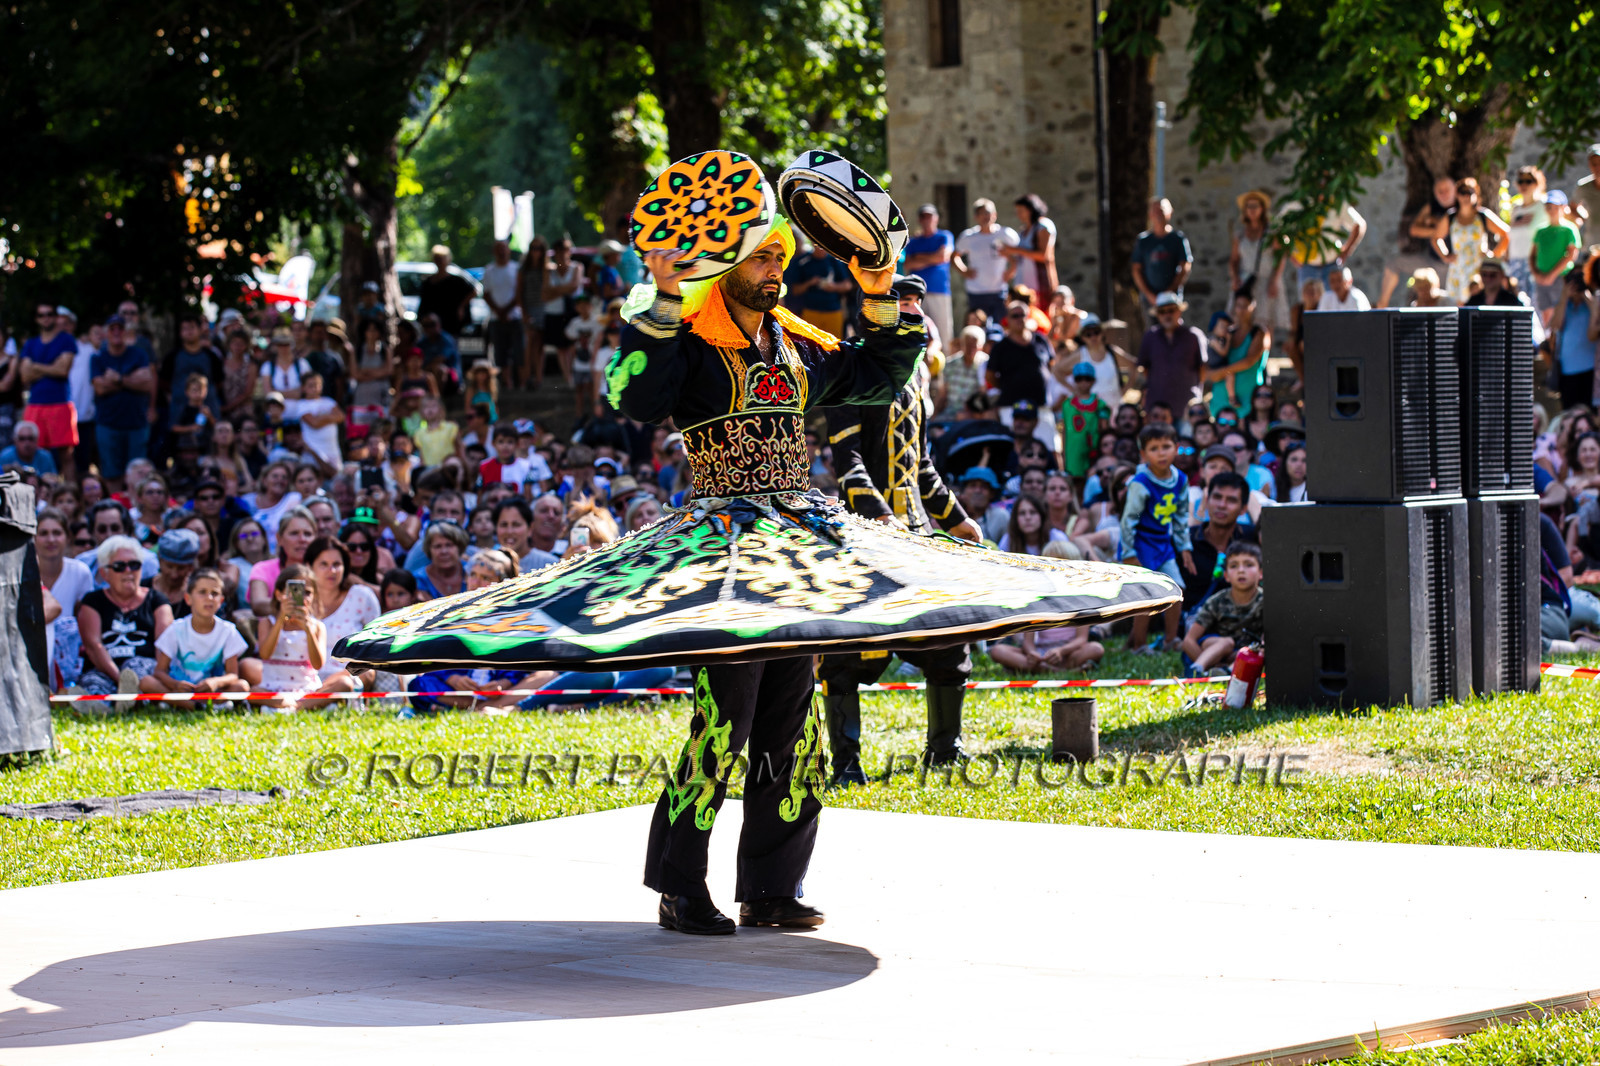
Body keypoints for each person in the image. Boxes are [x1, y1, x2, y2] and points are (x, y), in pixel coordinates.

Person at [818, 331, 980, 783]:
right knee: (846, 655)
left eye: (918, 313)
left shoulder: (913, 379)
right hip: (866, 537)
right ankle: (846, 765)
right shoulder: (850, 371)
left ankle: (946, 749)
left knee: (949, 642)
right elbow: (846, 462)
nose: (914, 324)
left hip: (919, 536)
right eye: (904, 310)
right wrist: (879, 518)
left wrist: (956, 518)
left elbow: (920, 464)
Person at [1119, 424, 1192, 652]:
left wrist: (1185, 547)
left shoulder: (1180, 479)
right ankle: (1139, 644)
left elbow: (1180, 517)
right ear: (1144, 454)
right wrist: (1129, 552)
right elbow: (1131, 518)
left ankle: (1171, 639)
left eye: (1166, 447)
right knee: (1146, 593)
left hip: (1163, 542)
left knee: (1176, 588)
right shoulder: (1141, 482)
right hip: (1142, 543)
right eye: (1154, 448)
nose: (1161, 453)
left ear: (1176, 448)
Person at [76, 535, 173, 699]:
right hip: (106, 670)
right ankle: (107, 705)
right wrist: (121, 680)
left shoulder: (157, 600)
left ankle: (135, 698)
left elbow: (164, 647)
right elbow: (94, 646)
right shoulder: (93, 601)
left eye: (134, 565)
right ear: (104, 573)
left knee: (134, 667)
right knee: (93, 682)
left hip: (146, 670)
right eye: (119, 566)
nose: (128, 571)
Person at [145, 568, 252, 696]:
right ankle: (193, 704)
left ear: (221, 601)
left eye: (215, 593)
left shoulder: (228, 631)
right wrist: (175, 685)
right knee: (147, 682)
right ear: (188, 598)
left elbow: (233, 675)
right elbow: (159, 671)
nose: (209, 598)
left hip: (212, 692)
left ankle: (190, 704)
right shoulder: (176, 629)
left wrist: (216, 682)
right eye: (202, 592)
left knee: (242, 686)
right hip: (180, 691)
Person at [1179, 541, 1264, 677]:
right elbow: (1189, 641)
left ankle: (1228, 672)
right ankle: (1197, 670)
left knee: (1252, 650)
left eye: (1249, 565)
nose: (1241, 570)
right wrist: (1209, 664)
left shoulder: (1266, 602)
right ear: (1226, 575)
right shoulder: (1216, 601)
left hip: (1242, 654)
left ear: (1261, 573)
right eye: (1234, 566)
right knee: (1226, 642)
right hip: (1211, 648)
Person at [19, 301, 79, 484]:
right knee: (34, 453)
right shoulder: (31, 343)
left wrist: (35, 366)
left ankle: (70, 492)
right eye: (41, 315)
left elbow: (63, 370)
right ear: (37, 319)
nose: (46, 318)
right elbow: (24, 375)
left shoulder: (66, 340)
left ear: (55, 317)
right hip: (35, 404)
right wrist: (51, 366)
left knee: (66, 455)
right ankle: (38, 494)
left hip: (60, 403)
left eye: (49, 314)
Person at [36, 507, 95, 691]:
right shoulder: (21, 573)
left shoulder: (80, 572)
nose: (51, 539)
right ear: (33, 538)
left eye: (57, 533)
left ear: (67, 538)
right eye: (44, 533)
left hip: (69, 653)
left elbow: (84, 620)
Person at [256, 564, 331, 707]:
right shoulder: (268, 623)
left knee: (343, 684)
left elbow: (318, 664)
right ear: (279, 595)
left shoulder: (317, 627)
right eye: (295, 591)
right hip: (272, 689)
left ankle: (294, 706)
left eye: (307, 592)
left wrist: (308, 631)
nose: (301, 597)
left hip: (307, 690)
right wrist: (280, 621)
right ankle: (297, 706)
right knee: (253, 691)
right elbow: (265, 654)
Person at [1431, 177, 1508, 306]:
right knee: (1459, 307)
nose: (1465, 196)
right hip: (1458, 269)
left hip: (1478, 269)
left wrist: (1494, 256)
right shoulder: (1451, 217)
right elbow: (1435, 238)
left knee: (1478, 303)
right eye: (1462, 192)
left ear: (1475, 194)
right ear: (1457, 195)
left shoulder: (1482, 216)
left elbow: (1505, 234)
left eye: (1469, 192)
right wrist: (1445, 256)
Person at [986, 300, 1053, 442]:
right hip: (1011, 407)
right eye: (1014, 316)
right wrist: (1007, 386)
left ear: (1028, 317)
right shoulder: (1000, 347)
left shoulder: (1041, 340)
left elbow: (1051, 364)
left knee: (1050, 447)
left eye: (1022, 315)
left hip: (1041, 405)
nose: (1019, 319)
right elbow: (990, 376)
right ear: (1007, 320)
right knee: (1014, 447)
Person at [1139, 292, 1207, 417]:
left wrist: (1198, 394)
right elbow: (1144, 368)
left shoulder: (1194, 336)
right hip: (1157, 410)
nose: (1167, 315)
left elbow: (1203, 369)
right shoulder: (1150, 337)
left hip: (1187, 408)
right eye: (1162, 311)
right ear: (1157, 315)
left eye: (1171, 310)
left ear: (1179, 311)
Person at [1205, 287, 1271, 415]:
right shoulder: (1227, 334)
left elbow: (1249, 361)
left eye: (1246, 306)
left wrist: (1221, 372)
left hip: (1249, 400)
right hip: (1221, 402)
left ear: (1253, 307)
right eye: (1238, 306)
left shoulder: (1259, 333)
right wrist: (1213, 373)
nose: (1242, 310)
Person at [954, 197, 1019, 324]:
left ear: (994, 215)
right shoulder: (969, 237)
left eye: (987, 213)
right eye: (981, 214)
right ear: (975, 217)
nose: (985, 217)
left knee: (1001, 326)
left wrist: (1011, 270)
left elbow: (1018, 255)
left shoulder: (1006, 234)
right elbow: (954, 256)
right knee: (979, 326)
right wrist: (964, 271)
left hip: (999, 290)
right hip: (977, 291)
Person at [901, 204, 955, 346]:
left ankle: (945, 365)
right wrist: (933, 258)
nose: (926, 220)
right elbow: (908, 264)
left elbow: (943, 257)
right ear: (919, 219)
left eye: (929, 216)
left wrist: (919, 257)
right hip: (917, 295)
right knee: (916, 330)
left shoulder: (944, 236)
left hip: (939, 291)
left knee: (944, 332)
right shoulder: (913, 241)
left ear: (936, 218)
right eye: (923, 216)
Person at [248, 506, 317, 617]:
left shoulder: (325, 568)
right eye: (294, 533)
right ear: (279, 539)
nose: (302, 539)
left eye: (307, 534)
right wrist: (296, 604)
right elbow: (258, 604)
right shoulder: (262, 569)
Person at [1131, 197, 1194, 309]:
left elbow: (1185, 266)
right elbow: (1136, 269)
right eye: (1155, 211)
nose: (1158, 214)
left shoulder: (1178, 239)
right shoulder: (1143, 241)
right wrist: (1149, 295)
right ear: (1150, 215)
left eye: (1161, 210)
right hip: (1149, 299)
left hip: (1172, 297)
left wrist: (1170, 291)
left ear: (1170, 212)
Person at [1549, 272, 1599, 410]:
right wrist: (1565, 297)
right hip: (1567, 370)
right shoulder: (1563, 304)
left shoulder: (1593, 302)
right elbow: (1555, 325)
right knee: (1569, 412)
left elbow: (1596, 323)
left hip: (1591, 369)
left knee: (1590, 414)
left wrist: (1586, 296)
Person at [1531, 191, 1581, 324]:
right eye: (1548, 206)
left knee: (1560, 311)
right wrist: (1537, 274)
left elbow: (1571, 254)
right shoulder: (1540, 231)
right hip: (1541, 278)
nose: (1552, 210)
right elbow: (1532, 255)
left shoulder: (1569, 229)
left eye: (1555, 206)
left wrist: (1552, 275)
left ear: (1563, 208)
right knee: (1544, 313)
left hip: (1560, 278)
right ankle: (1547, 341)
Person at [786, 244, 854, 338]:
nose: (821, 248)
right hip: (810, 311)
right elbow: (795, 290)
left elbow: (848, 285)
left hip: (833, 311)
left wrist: (833, 287)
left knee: (834, 346)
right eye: (818, 245)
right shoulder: (803, 261)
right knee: (810, 344)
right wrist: (810, 283)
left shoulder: (834, 261)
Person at [1059, 362, 1112, 480]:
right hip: (1073, 452)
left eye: (1087, 379)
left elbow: (1105, 430)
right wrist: (1063, 452)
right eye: (1079, 379)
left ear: (1093, 380)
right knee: (1075, 482)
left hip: (1094, 452)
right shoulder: (1067, 404)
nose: (1083, 383)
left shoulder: (1100, 404)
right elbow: (1064, 430)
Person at [1002, 193, 1057, 304]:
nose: (1018, 215)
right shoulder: (1023, 231)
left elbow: (1044, 255)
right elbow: (1020, 258)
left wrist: (1015, 250)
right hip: (1023, 286)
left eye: (1021, 211)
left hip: (1039, 285)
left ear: (1031, 209)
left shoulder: (1043, 226)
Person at [417, 245, 477, 340]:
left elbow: (473, 291)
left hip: (450, 322)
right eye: (437, 259)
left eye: (442, 259)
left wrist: (461, 307)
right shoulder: (428, 282)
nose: (440, 262)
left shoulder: (456, 281)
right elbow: (423, 304)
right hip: (432, 325)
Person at [481, 239, 522, 372]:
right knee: (500, 352)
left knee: (518, 351)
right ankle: (505, 381)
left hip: (515, 316)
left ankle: (519, 381)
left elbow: (520, 292)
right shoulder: (489, 270)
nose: (502, 252)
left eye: (504, 248)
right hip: (495, 318)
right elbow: (486, 294)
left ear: (508, 250)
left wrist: (507, 310)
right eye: (499, 249)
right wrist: (499, 312)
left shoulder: (516, 268)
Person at [516, 238, 547, 391]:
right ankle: (525, 379)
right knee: (528, 345)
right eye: (533, 248)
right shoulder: (523, 269)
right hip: (529, 309)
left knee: (539, 346)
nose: (536, 251)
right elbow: (519, 292)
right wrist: (524, 313)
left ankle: (538, 379)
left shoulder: (546, 268)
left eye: (539, 248)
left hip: (544, 309)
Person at [412, 521, 469, 599]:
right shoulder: (418, 580)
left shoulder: (473, 571)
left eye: (449, 545)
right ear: (429, 550)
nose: (444, 551)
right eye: (438, 546)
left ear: (459, 547)